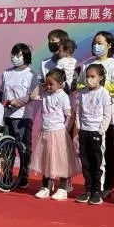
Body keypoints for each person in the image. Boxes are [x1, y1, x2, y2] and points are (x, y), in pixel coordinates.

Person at [77, 31, 114, 199]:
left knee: (105, 154)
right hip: (87, 119)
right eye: (94, 43)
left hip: (105, 117)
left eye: (100, 43)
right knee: (88, 156)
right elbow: (80, 84)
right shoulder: (87, 63)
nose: (96, 46)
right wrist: (88, 85)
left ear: (109, 45)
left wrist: (100, 86)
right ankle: (91, 187)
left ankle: (106, 186)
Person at [29, 69, 80, 200]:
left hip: (58, 133)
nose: (48, 86)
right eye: (46, 83)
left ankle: (63, 188)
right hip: (45, 132)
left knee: (61, 160)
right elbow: (33, 96)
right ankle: (45, 186)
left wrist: (66, 128)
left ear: (60, 84)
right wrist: (42, 86)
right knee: (46, 159)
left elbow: (69, 114)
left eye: (51, 84)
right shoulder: (45, 94)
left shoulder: (63, 96)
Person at [0, 43, 39, 189]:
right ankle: (6, 175)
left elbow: (33, 95)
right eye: (13, 54)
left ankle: (23, 177)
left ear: (26, 56)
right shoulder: (6, 72)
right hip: (7, 116)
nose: (14, 57)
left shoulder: (32, 74)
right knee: (6, 147)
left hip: (23, 117)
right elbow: (1, 93)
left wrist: (17, 102)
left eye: (18, 55)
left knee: (23, 148)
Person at [74, 64, 112, 205]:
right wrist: (79, 127)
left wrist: (100, 131)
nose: (89, 79)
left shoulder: (104, 93)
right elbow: (78, 112)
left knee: (98, 162)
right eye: (87, 76)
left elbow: (107, 115)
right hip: (84, 131)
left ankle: (97, 191)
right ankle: (88, 190)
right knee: (86, 163)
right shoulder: (82, 93)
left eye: (93, 76)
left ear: (100, 77)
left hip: (97, 132)